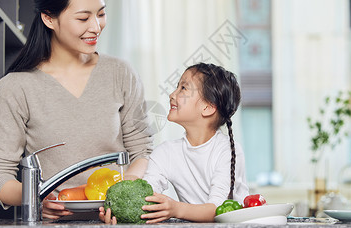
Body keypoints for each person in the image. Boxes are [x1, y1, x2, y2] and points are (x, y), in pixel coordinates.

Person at [0, 0, 154, 220]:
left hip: (116, 221)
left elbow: (142, 151)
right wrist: (37, 196)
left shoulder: (120, 73)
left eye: (101, 14)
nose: (96, 27)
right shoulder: (15, 88)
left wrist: (121, 193)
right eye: (83, 18)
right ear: (49, 18)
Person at [100, 63, 249, 224]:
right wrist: (118, 212)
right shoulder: (166, 152)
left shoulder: (227, 150)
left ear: (207, 107)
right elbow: (147, 195)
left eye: (183, 88)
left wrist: (176, 209)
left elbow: (219, 210)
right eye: (176, 87)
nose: (172, 94)